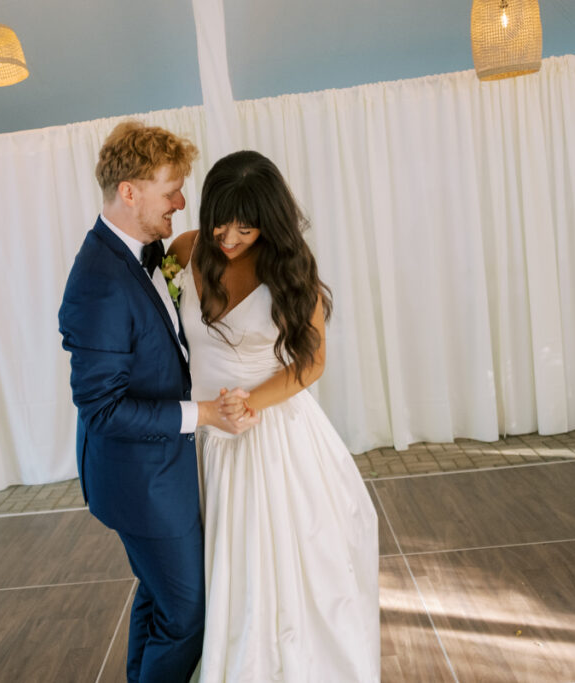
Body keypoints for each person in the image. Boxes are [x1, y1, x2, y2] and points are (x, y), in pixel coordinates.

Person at [168, 150, 381, 682]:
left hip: (271, 433)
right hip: (201, 433)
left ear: (269, 220)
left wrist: (248, 404)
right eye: (221, 222)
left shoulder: (290, 266)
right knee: (207, 571)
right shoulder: (184, 250)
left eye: (246, 227)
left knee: (275, 572)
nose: (230, 237)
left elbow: (312, 361)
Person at [58, 121, 258, 683]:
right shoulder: (99, 280)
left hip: (161, 469)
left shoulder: (144, 252)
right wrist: (205, 414)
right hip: (139, 481)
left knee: (159, 597)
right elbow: (101, 409)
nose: (181, 202)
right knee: (189, 615)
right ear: (130, 192)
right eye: (171, 190)